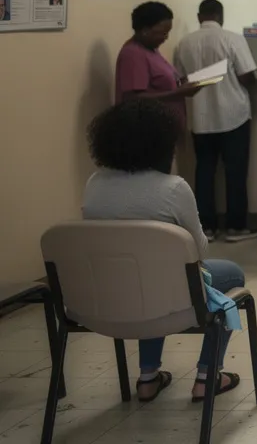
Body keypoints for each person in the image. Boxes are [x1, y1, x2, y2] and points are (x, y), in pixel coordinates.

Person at [82, 98, 247, 403]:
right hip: (163, 295)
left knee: (145, 277)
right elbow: (198, 249)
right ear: (162, 143)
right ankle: (206, 377)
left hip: (107, 298)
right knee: (231, 274)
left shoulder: (94, 184)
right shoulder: (173, 188)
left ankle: (147, 378)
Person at [172, 0, 257, 243]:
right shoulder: (232, 39)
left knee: (204, 171)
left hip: (200, 118)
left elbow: (180, 80)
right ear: (221, 16)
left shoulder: (183, 43)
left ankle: (206, 227)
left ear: (200, 16)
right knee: (236, 172)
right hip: (234, 116)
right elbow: (247, 75)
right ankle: (236, 227)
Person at [116, 2, 205, 146]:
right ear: (145, 30)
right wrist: (178, 92)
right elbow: (133, 98)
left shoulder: (151, 49)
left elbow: (160, 82)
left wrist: (185, 81)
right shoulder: (133, 54)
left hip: (162, 130)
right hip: (146, 133)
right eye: (163, 33)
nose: (166, 37)